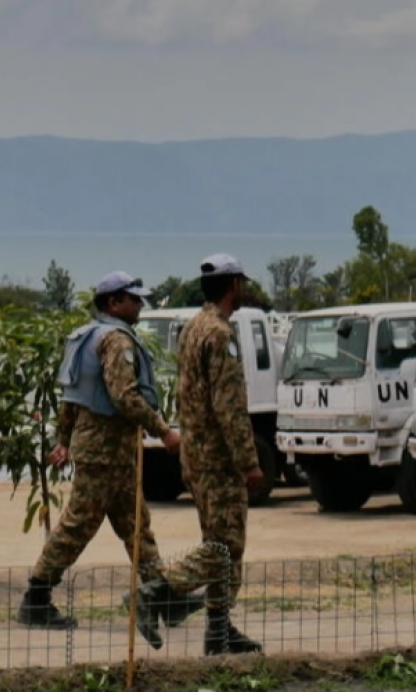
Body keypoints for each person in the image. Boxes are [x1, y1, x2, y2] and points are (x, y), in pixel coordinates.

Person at [16, 271, 203, 645]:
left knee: (137, 525)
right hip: (106, 452)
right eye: (134, 299)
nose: (140, 304)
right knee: (78, 525)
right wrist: (162, 430)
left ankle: (163, 597)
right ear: (113, 303)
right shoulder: (116, 341)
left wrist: (64, 438)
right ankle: (35, 598)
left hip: (108, 451)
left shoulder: (86, 336)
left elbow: (72, 396)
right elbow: (125, 397)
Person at [136, 253, 265, 655]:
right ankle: (158, 591)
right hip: (218, 460)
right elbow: (228, 408)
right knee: (225, 548)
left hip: (195, 454)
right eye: (240, 283)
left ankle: (218, 629)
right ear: (233, 286)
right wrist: (249, 462)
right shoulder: (220, 335)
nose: (243, 289)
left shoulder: (192, 328)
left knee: (219, 542)